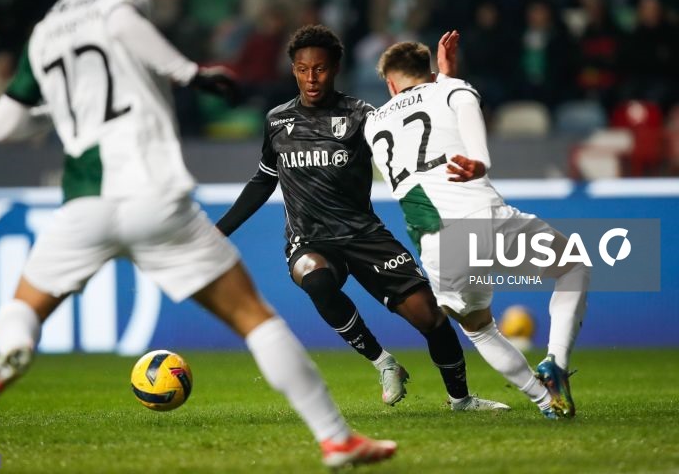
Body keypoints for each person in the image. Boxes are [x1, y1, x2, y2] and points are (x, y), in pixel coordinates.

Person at [0, 0, 398, 468]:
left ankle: (12, 351)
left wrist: (61, 106)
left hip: (82, 205)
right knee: (255, 320)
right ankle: (335, 438)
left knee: (26, 306)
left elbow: (3, 122)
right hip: (151, 195)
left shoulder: (42, 37)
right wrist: (194, 73)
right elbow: (123, 26)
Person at [216, 24, 508, 412]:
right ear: (293, 70)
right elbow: (262, 181)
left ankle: (461, 399)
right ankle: (383, 362)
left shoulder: (363, 117)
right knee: (316, 279)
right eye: (302, 69)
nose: (311, 77)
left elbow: (409, 159)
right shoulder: (277, 122)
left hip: (363, 234)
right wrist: (219, 231)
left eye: (319, 68)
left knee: (430, 318)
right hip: (310, 239)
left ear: (335, 67)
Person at [364, 39, 589, 419]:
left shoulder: (373, 123)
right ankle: (556, 364)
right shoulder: (453, 89)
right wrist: (480, 160)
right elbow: (460, 120)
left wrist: (444, 79)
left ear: (389, 84)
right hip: (480, 215)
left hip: (437, 244)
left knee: (479, 328)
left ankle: (545, 401)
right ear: (430, 70)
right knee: (573, 266)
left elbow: (417, 120)